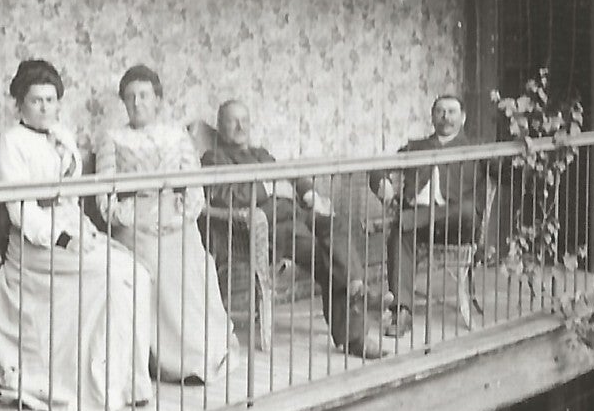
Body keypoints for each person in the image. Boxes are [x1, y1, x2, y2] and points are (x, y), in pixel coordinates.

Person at [0, 59, 154, 411]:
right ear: (20, 103)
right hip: (36, 244)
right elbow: (22, 212)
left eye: (51, 100)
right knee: (110, 276)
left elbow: (72, 194)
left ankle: (126, 382)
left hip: (72, 228)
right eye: (36, 101)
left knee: (136, 274)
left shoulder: (63, 136)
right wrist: (64, 240)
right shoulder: (11, 143)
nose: (46, 108)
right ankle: (92, 386)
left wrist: (82, 229)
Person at [201, 100, 385, 360]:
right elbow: (224, 196)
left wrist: (309, 192)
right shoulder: (213, 159)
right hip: (269, 228)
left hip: (298, 215)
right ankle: (356, 336)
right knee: (329, 259)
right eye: (233, 120)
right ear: (220, 127)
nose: (241, 126)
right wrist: (271, 188)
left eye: (245, 120)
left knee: (338, 225)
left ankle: (356, 285)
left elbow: (290, 173)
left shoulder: (261, 154)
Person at [95, 65, 235, 384]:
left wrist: (182, 215)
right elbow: (105, 197)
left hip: (175, 217)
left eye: (144, 95)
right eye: (130, 97)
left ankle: (202, 352)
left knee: (194, 263)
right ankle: (171, 361)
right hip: (135, 222)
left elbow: (194, 185)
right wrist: (134, 217)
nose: (137, 103)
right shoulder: (113, 138)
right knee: (153, 264)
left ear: (158, 100)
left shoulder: (176, 134)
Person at [368, 93, 489, 337]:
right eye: (440, 111)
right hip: (419, 222)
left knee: (466, 208)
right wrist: (383, 183)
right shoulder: (417, 147)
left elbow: (508, 171)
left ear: (463, 118)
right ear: (432, 117)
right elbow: (378, 168)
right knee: (401, 234)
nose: (446, 117)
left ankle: (403, 220)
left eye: (452, 111)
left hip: (458, 224)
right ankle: (402, 311)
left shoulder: (478, 149)